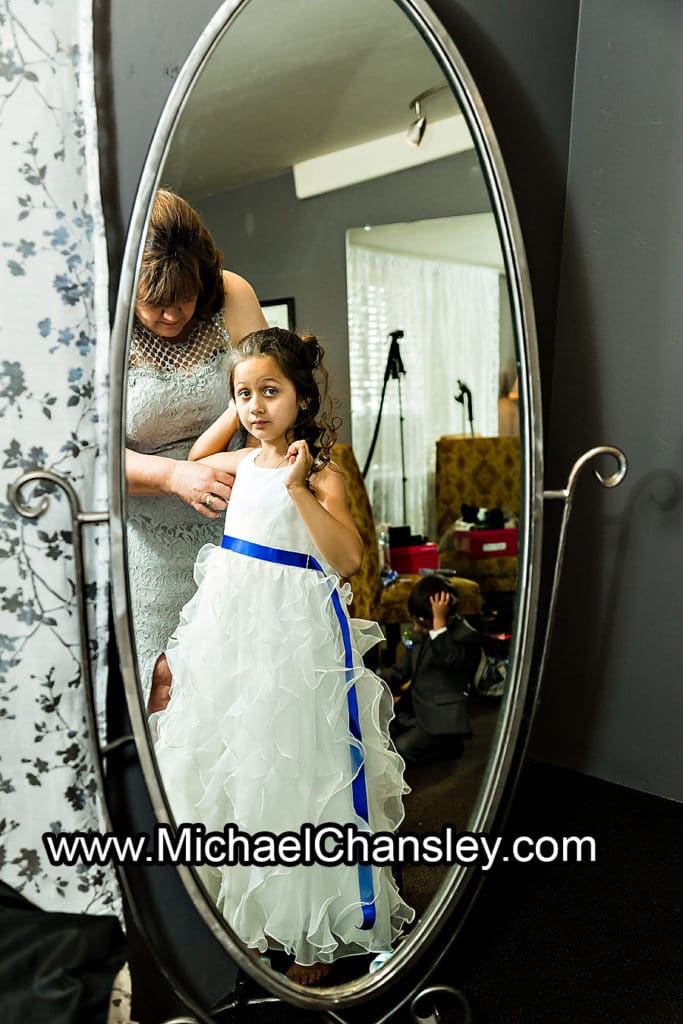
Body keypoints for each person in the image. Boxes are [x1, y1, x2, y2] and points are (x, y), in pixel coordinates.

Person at [151, 327, 413, 985]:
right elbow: (201, 458)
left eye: (271, 391)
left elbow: (348, 559)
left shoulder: (318, 472)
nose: (256, 406)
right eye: (245, 394)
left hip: (291, 630)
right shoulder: (244, 459)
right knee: (234, 760)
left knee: (295, 765)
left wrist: (297, 486)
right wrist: (236, 404)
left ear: (302, 395)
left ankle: (308, 935)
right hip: (228, 625)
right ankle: (241, 915)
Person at [125, 188, 268, 710]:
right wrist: (172, 476)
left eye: (183, 298)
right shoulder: (102, 324)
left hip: (237, 521)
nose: (171, 314)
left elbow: (272, 410)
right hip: (148, 540)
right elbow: (88, 455)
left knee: (242, 682)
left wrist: (243, 463)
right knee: (169, 684)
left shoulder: (233, 296)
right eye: (154, 303)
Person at [380, 575, 481, 767]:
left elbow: (449, 660)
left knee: (401, 749)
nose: (416, 627)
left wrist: (438, 627)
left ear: (443, 617)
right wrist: (372, 678)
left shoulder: (466, 636)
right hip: (417, 709)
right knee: (381, 737)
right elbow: (402, 670)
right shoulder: (422, 632)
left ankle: (449, 746)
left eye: (421, 622)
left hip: (441, 718)